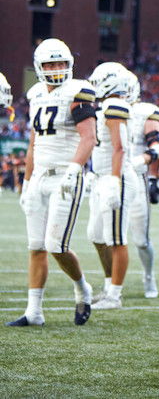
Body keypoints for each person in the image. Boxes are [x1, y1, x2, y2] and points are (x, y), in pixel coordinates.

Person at [7, 39, 96, 327]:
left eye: (61, 63)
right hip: (40, 177)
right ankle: (34, 311)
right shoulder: (35, 95)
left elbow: (89, 137)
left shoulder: (77, 91)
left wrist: (73, 170)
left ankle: (83, 288)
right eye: (50, 64)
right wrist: (28, 181)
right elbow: (34, 143)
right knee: (36, 246)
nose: (57, 69)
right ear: (39, 67)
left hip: (65, 177)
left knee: (56, 245)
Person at [86, 62, 139, 310]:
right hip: (102, 177)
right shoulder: (107, 106)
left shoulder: (114, 105)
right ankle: (109, 286)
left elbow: (120, 148)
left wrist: (114, 181)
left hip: (115, 177)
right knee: (97, 235)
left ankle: (114, 295)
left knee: (117, 238)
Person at [125, 70, 159, 298]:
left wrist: (150, 176)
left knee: (140, 240)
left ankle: (148, 275)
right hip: (110, 178)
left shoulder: (144, 112)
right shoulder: (102, 113)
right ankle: (112, 283)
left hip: (136, 177)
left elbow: (158, 146)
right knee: (104, 237)